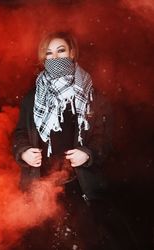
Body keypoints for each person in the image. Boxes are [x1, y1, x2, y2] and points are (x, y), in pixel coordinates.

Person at [12, 31, 139, 250]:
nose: (55, 58)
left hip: (80, 187)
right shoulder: (33, 97)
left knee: (85, 241)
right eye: (49, 54)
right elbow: (20, 133)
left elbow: (105, 139)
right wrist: (23, 151)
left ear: (72, 53)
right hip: (41, 185)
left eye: (60, 51)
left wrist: (88, 154)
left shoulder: (93, 96)